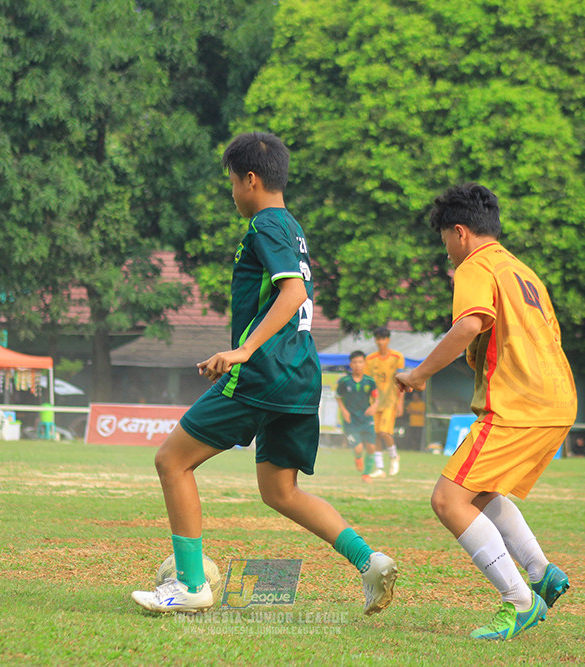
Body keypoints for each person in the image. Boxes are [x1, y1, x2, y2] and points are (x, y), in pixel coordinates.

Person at [131, 132, 397, 615]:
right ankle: (369, 560)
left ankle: (190, 586)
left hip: (264, 370)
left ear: (250, 180)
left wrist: (242, 350)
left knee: (172, 461)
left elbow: (292, 293)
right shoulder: (290, 226)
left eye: (232, 182)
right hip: (298, 373)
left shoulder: (265, 225)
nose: (232, 192)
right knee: (279, 490)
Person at [395, 183, 577, 641]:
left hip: (519, 404)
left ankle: (519, 602)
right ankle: (541, 573)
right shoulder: (523, 271)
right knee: (479, 491)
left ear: (460, 233)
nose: (449, 256)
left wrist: (419, 374)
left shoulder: (476, 265)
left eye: (446, 245)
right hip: (556, 400)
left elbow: (470, 323)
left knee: (447, 500)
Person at [366, 326, 405, 476]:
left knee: (384, 432)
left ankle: (394, 456)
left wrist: (400, 403)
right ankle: (380, 468)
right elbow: (367, 383)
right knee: (375, 434)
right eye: (378, 339)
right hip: (374, 403)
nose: (381, 342)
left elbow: (401, 381)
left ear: (388, 340)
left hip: (390, 402)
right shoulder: (370, 359)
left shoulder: (397, 357)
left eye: (383, 338)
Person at [336, 350, 379, 480]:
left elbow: (376, 397)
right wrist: (344, 410)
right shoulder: (344, 381)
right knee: (359, 448)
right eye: (355, 362)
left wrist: (374, 406)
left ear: (364, 363)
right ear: (350, 364)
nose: (358, 365)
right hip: (351, 420)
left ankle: (366, 474)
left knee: (371, 447)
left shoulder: (370, 381)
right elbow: (338, 396)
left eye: (360, 362)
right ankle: (358, 457)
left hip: (366, 418)